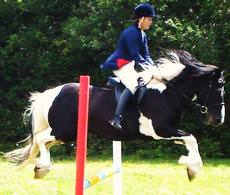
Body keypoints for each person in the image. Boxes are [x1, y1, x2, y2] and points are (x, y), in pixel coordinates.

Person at [100, 3, 156, 130]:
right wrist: (146, 65)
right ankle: (116, 117)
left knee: (147, 81)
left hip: (131, 64)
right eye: (149, 19)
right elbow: (135, 54)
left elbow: (146, 55)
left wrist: (154, 67)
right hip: (120, 64)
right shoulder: (130, 32)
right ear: (141, 19)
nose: (150, 22)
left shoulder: (143, 35)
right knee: (133, 84)